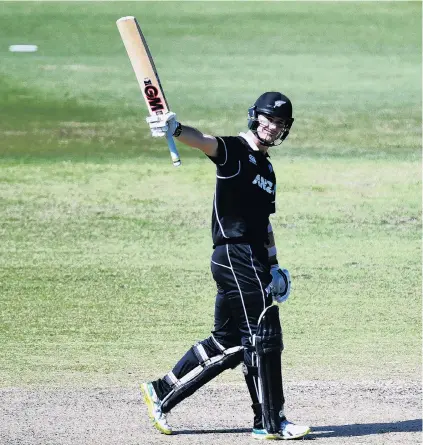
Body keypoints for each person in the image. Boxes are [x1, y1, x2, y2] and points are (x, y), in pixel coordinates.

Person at [141, 92, 310, 440]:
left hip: (252, 259)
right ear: (254, 117)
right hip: (235, 254)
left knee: (230, 342)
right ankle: (270, 421)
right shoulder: (234, 150)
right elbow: (204, 142)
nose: (272, 126)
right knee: (261, 335)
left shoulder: (267, 168)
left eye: (279, 123)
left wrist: (275, 266)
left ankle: (161, 391)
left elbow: (264, 223)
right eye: (267, 119)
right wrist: (176, 129)